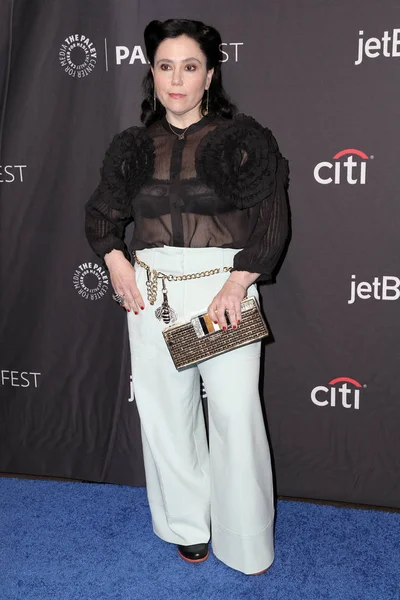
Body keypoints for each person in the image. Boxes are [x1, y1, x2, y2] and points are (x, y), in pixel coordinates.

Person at [85, 18, 289, 576]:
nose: (177, 79)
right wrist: (116, 260)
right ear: (153, 74)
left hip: (225, 291)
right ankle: (186, 527)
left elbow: (270, 220)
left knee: (234, 414)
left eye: (190, 66)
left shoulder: (243, 140)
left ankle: (245, 538)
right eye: (166, 66)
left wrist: (238, 282)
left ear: (210, 74)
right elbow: (102, 216)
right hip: (153, 295)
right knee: (167, 417)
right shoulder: (133, 146)